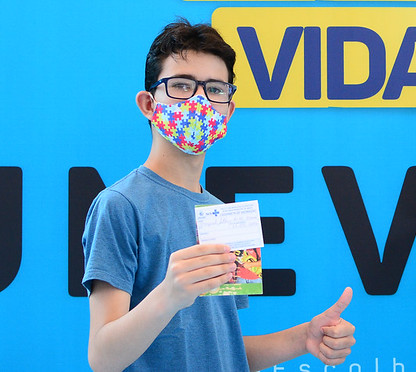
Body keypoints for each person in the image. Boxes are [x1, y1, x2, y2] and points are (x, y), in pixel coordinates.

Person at [82, 19, 356, 371]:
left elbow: (220, 347)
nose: (199, 100)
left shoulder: (224, 214)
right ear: (149, 104)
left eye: (215, 89)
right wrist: (169, 295)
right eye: (181, 85)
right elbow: (103, 358)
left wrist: (304, 337)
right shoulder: (119, 205)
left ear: (228, 111)